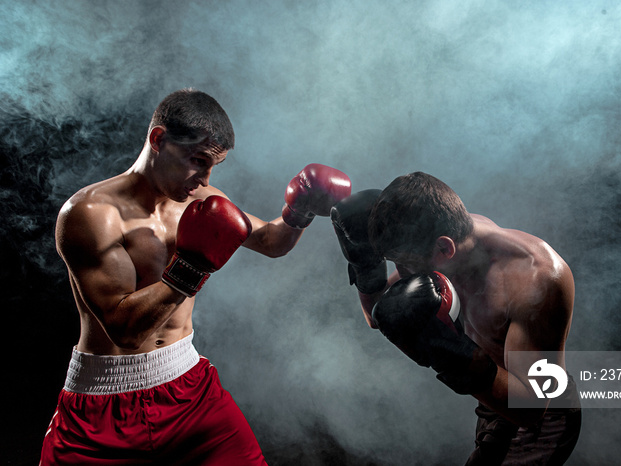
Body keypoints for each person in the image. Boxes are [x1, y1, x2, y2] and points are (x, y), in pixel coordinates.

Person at [40, 88, 351, 465]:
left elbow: (271, 241)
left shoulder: (200, 200)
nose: (204, 179)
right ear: (159, 140)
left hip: (189, 392)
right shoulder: (90, 214)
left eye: (212, 166)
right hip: (103, 407)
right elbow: (125, 329)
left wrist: (299, 211)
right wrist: (191, 267)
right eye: (197, 160)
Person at [332, 172, 581, 465]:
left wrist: (449, 352)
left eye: (404, 263)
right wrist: (365, 266)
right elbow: (379, 315)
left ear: (444, 249)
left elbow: (530, 408)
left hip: (540, 417)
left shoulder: (536, 279)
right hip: (495, 404)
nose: (401, 272)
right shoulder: (434, 239)